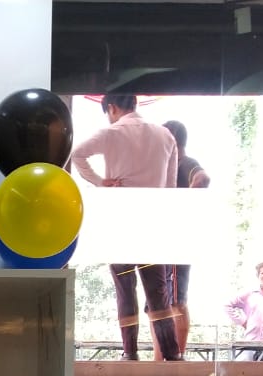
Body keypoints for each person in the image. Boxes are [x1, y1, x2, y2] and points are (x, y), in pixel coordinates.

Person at [71, 94, 182, 361]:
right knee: (158, 292)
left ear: (112, 108)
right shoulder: (165, 136)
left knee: (125, 288)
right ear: (135, 104)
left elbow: (77, 154)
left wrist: (100, 181)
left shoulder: (111, 133)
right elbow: (170, 188)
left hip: (120, 220)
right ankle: (172, 354)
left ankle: (130, 352)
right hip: (152, 222)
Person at [155, 120, 210, 361]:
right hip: (160, 243)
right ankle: (160, 360)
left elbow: (203, 179)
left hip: (178, 243)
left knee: (176, 300)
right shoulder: (163, 167)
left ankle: (177, 356)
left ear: (172, 138)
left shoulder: (185, 163)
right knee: (157, 304)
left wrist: (181, 207)